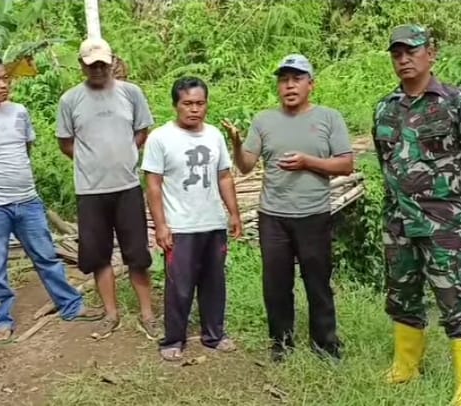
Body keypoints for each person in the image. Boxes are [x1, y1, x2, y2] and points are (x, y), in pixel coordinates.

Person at [373, 24, 461, 406]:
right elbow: (385, 161)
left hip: (444, 222)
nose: (403, 59)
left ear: (431, 53)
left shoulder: (457, 102)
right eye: (397, 54)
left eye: (411, 51)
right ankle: (406, 366)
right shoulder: (385, 107)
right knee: (402, 292)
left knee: (455, 296)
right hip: (398, 220)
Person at [0, 55, 104, 343]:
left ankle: (71, 306)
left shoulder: (19, 112)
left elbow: (25, 150)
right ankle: (2, 320)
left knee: (46, 256)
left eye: (5, 78)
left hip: (27, 200)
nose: (3, 84)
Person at [223, 54, 354, 362]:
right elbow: (245, 166)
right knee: (276, 285)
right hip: (273, 217)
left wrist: (308, 162)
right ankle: (281, 344)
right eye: (284, 80)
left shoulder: (329, 118)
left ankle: (325, 345)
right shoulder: (264, 120)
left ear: (311, 84)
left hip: (314, 215)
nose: (290, 86)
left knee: (317, 282)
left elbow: (346, 164)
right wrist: (237, 144)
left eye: (297, 79)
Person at [56, 38, 160, 341]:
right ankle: (110, 314)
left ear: (112, 61)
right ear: (82, 66)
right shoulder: (70, 100)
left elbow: (142, 130)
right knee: (98, 255)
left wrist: (125, 154)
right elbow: (65, 142)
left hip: (127, 187)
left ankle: (148, 314)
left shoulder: (131, 93)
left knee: (137, 254)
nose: (98, 69)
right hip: (90, 191)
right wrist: (91, 161)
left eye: (103, 63)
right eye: (92, 65)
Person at [141, 76, 242, 361]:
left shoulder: (214, 135)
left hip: (212, 222)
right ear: (176, 105)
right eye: (188, 103)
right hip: (180, 225)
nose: (194, 109)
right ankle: (174, 339)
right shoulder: (160, 138)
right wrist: (161, 225)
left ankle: (214, 335)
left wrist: (233, 213)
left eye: (200, 103)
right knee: (179, 286)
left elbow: (224, 176)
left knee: (214, 283)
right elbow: (153, 185)